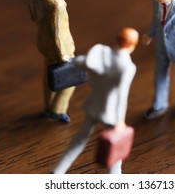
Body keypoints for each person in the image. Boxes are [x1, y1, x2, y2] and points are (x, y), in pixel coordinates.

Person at [50, 28, 138, 174]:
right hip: (110, 114)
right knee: (114, 148)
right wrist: (120, 121)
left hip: (93, 106)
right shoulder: (127, 67)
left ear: (116, 41)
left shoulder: (102, 54)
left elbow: (80, 62)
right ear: (132, 46)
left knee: (78, 141)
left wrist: (72, 61)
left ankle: (57, 171)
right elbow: (122, 96)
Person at [28, 0, 76, 123]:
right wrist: (62, 54)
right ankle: (57, 110)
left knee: (48, 75)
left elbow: (33, 16)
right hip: (60, 48)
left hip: (43, 43)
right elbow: (58, 32)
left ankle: (48, 106)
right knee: (70, 80)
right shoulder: (57, 4)